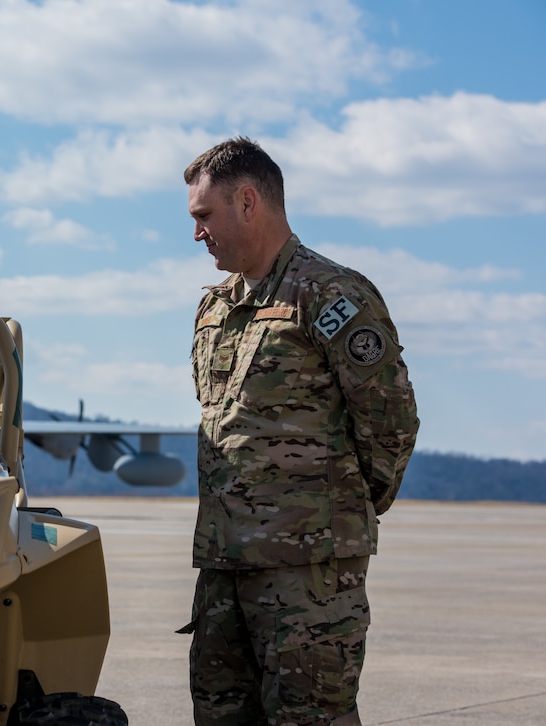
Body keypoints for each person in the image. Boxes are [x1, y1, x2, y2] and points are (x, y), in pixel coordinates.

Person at [178, 137, 419, 725]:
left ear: (249, 201)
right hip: (224, 567)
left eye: (204, 216)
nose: (196, 233)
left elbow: (390, 418)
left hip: (309, 579)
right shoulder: (216, 309)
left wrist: (339, 514)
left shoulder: (328, 294)